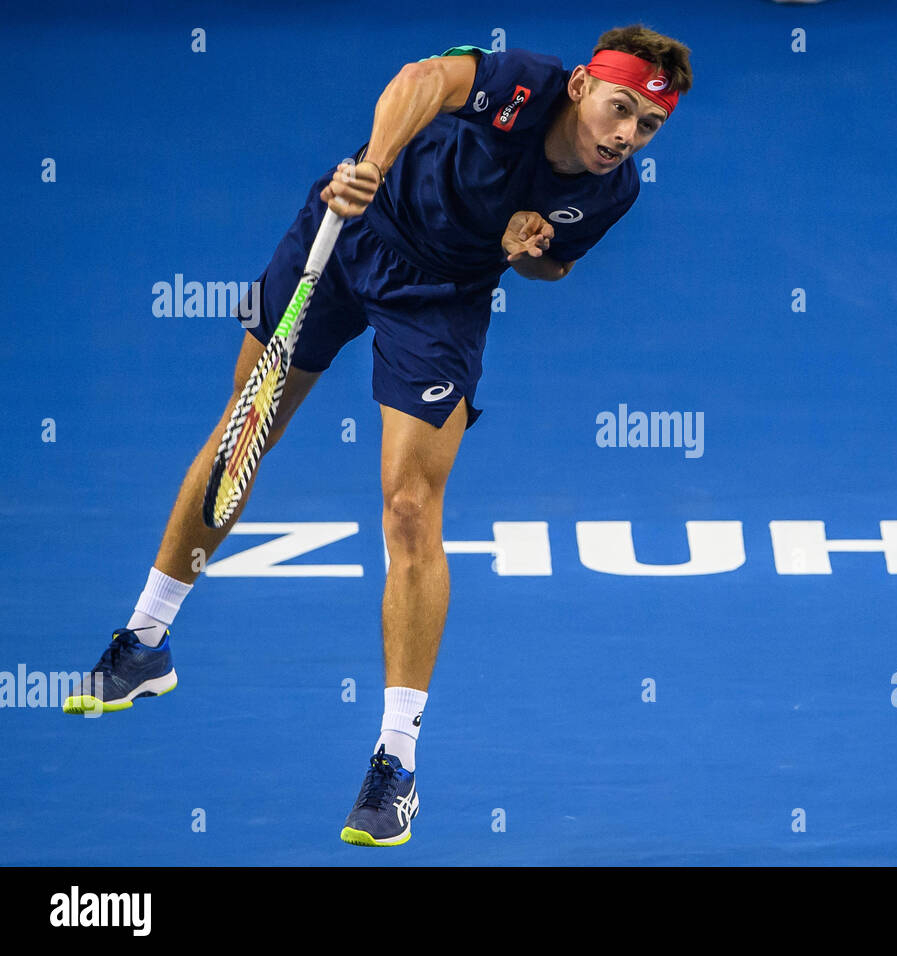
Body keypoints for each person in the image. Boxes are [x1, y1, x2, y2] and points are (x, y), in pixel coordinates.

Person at [63, 24, 693, 847]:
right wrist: (374, 163)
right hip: (349, 233)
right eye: (620, 111)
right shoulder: (521, 82)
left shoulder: (615, 192)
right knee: (245, 428)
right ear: (582, 87)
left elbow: (553, 264)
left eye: (647, 127)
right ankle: (145, 642)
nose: (625, 137)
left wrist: (528, 252)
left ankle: (394, 764)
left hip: (441, 298)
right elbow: (421, 79)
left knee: (408, 507)